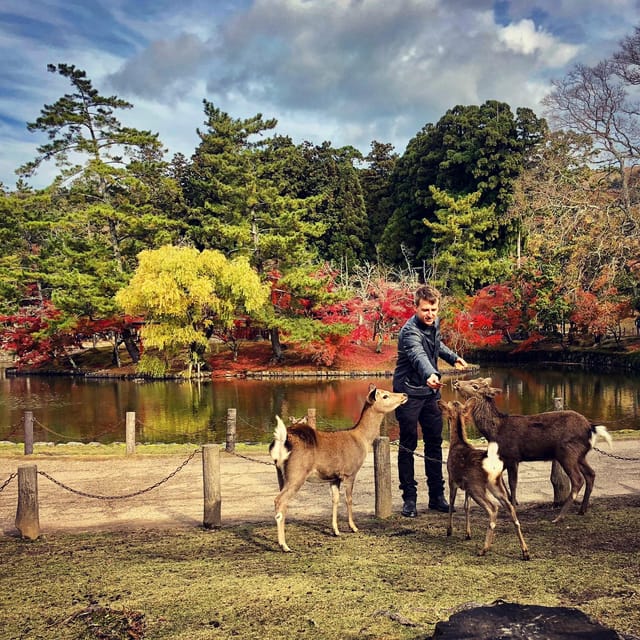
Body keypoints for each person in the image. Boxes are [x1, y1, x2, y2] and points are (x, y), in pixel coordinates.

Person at [393, 284, 468, 517]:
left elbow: (435, 346)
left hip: (431, 392)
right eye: (425, 309)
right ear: (415, 307)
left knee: (434, 443)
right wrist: (430, 374)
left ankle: (437, 496)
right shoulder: (409, 333)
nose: (430, 314)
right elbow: (419, 355)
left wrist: (452, 357)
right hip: (409, 393)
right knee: (408, 444)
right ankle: (410, 499)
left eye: (434, 309)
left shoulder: (434, 323)